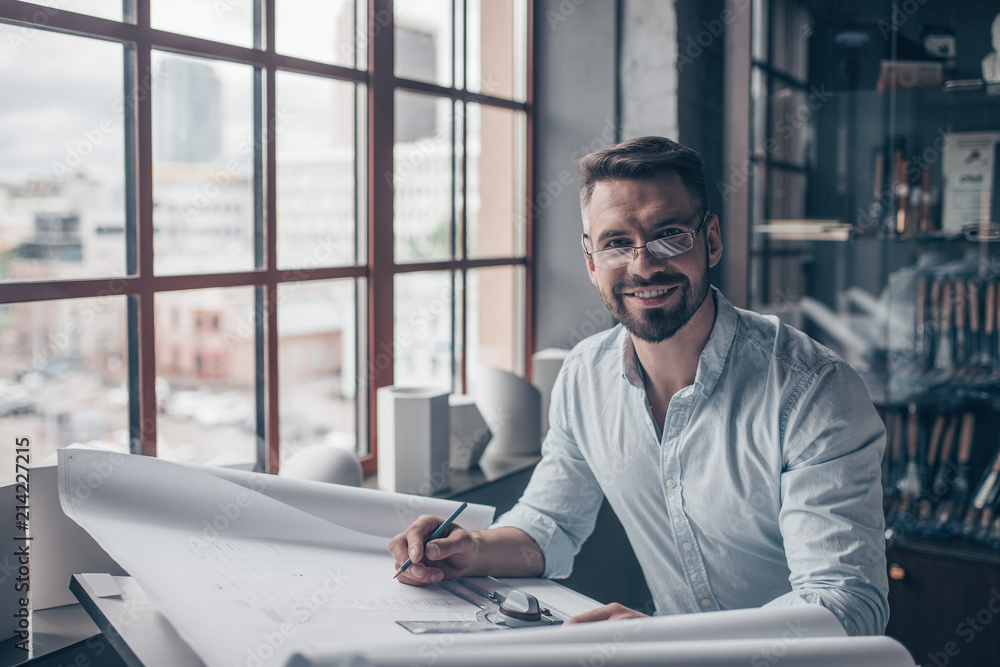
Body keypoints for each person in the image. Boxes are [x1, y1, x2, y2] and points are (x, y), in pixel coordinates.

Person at [388, 136, 889, 637]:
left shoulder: (814, 392)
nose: (643, 264)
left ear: (710, 240)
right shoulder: (585, 375)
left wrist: (672, 641)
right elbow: (551, 522)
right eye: (616, 243)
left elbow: (845, 602)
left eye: (669, 234)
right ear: (590, 262)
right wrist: (470, 549)